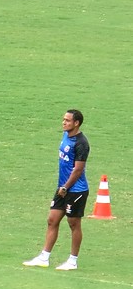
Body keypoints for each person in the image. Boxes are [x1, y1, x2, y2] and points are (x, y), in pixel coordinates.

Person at [23, 110, 90, 271]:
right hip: (62, 188)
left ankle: (72, 260)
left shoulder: (81, 143)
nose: (64, 123)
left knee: (74, 223)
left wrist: (66, 187)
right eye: (63, 120)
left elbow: (78, 170)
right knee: (52, 220)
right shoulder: (66, 135)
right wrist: (63, 187)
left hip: (75, 190)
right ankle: (44, 257)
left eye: (67, 120)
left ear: (77, 123)